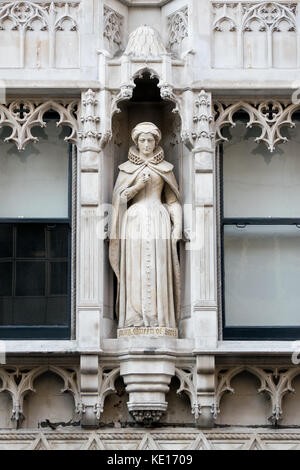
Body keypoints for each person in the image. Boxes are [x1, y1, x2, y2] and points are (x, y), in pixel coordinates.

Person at [109, 122, 182, 329]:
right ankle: (134, 318)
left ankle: (159, 319)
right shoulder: (126, 169)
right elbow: (120, 200)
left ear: (156, 142)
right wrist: (138, 186)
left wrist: (177, 226)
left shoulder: (166, 168)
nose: (146, 144)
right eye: (142, 140)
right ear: (136, 142)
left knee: (158, 266)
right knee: (135, 268)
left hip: (159, 219)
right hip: (134, 221)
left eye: (150, 140)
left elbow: (173, 200)